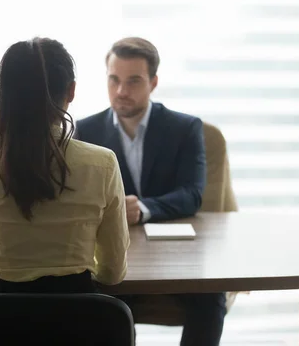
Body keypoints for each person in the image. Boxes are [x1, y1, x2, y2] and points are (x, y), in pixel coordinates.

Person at [75, 37, 226, 346]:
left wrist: (143, 208)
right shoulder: (85, 131)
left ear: (153, 82)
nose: (121, 91)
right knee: (98, 300)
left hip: (175, 256)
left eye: (133, 81)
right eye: (114, 80)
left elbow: (192, 194)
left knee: (211, 296)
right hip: (114, 255)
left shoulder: (185, 128)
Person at [0, 37, 129, 294]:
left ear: (5, 94)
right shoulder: (102, 164)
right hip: (80, 329)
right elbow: (112, 273)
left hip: (2, 329)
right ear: (71, 90)